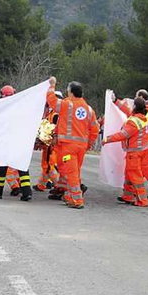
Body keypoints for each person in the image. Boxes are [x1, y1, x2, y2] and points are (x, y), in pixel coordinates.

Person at [42, 77, 99, 209]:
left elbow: (51, 101)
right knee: (73, 171)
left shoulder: (67, 105)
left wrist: (52, 85)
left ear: (71, 92)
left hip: (68, 147)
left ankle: (77, 200)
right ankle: (69, 196)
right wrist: (88, 145)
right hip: (80, 147)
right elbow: (94, 130)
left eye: (68, 90)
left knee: (71, 173)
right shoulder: (89, 109)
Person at [115, 90, 148, 200]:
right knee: (143, 168)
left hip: (146, 143)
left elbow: (129, 112)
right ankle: (130, 192)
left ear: (141, 97)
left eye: (136, 97)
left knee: (139, 168)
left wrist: (116, 101)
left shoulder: (143, 109)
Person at [0, 85, 33, 201]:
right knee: (22, 165)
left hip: (5, 140)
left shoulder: (0, 107)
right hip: (19, 140)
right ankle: (27, 192)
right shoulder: (21, 106)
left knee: (2, 165)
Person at [104, 97, 148, 207]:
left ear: (135, 107)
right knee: (129, 175)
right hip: (140, 151)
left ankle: (142, 200)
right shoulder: (142, 118)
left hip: (134, 153)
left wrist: (107, 139)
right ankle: (128, 196)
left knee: (135, 176)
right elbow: (126, 110)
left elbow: (123, 134)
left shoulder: (133, 121)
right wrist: (116, 101)